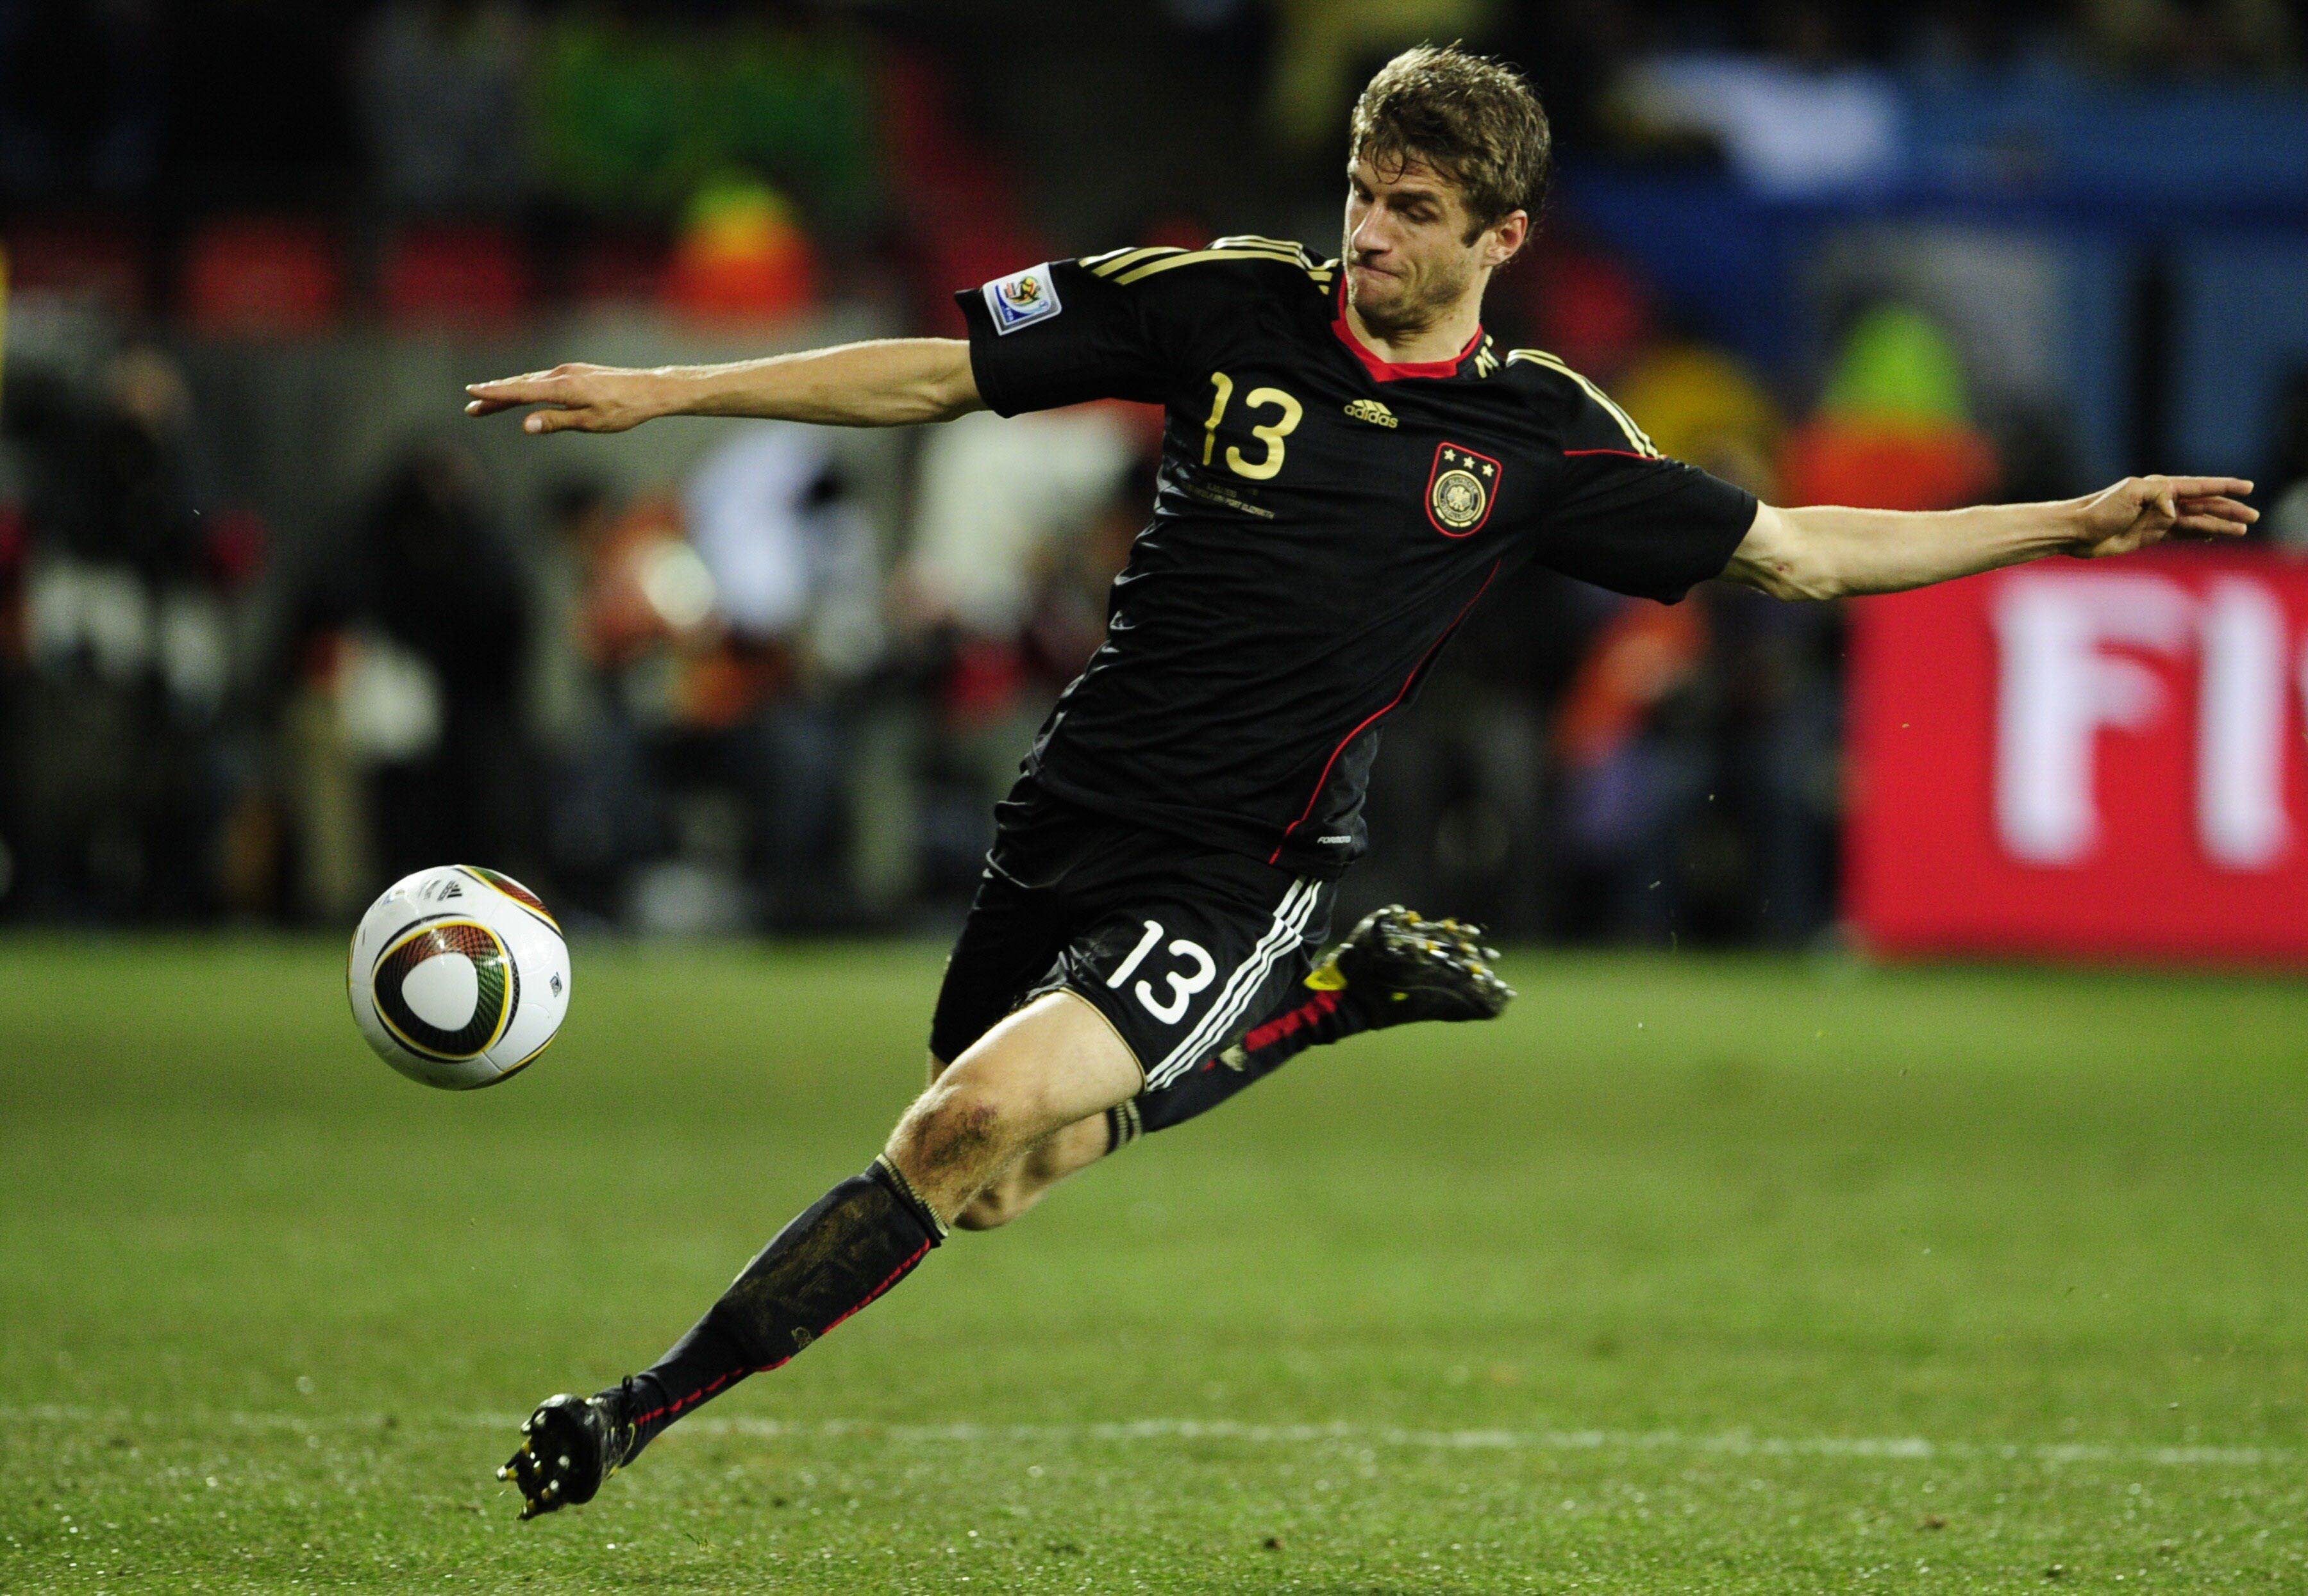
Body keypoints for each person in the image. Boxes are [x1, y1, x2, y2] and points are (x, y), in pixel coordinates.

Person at [462, 45, 2256, 1519]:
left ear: (1504, 236)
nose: (1369, 235)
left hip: (1241, 865)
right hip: (1071, 814)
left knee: (951, 1138)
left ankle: (629, 1412)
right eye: (1361, 194)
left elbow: (1805, 552)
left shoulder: (1544, 434)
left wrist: (2081, 522)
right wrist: (668, 388)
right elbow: (945, 370)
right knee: (998, 1177)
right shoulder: (1225, 307)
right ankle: (1316, 1012)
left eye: (1413, 212)